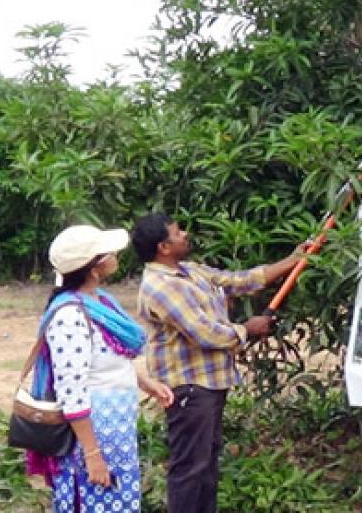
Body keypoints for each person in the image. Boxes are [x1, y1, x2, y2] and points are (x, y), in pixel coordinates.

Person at [130, 212, 306, 513]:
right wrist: (248, 330)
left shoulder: (189, 271)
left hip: (209, 384)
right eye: (177, 232)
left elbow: (238, 281)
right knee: (191, 469)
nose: (185, 234)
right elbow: (206, 333)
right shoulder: (162, 286)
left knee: (206, 467)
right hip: (189, 389)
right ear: (164, 247)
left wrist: (293, 260)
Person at [26, 225, 175, 513]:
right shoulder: (70, 316)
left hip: (115, 430)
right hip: (94, 434)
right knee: (95, 499)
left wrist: (145, 383)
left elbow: (106, 361)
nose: (116, 254)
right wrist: (93, 455)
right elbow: (72, 390)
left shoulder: (99, 301)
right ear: (94, 268)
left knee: (116, 500)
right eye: (108, 253)